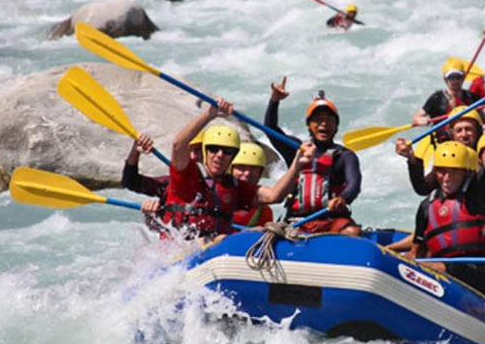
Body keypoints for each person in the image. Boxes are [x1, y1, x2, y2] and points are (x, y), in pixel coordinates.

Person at [410, 85, 485, 300]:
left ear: (464, 173)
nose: (446, 178)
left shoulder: (479, 193)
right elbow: (416, 252)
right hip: (444, 278)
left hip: (483, 274)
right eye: (442, 172)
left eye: (453, 173)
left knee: (432, 268)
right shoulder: (427, 206)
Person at [145, 100, 314, 241]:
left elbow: (273, 196)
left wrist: (297, 165)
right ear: (205, 151)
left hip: (213, 248)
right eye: (214, 149)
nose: (219, 156)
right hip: (179, 247)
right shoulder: (186, 175)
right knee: (216, 240)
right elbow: (178, 145)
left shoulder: (235, 187)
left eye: (227, 152)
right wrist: (209, 115)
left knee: (239, 236)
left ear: (233, 157)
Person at [264, 78, 362, 235]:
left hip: (332, 220)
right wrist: (274, 100)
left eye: (329, 120)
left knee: (352, 232)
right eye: (318, 120)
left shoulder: (345, 156)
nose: (324, 124)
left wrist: (343, 199)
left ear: (336, 125)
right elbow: (270, 128)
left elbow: (354, 184)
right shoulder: (297, 150)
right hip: (297, 221)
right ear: (309, 125)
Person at [396, 106, 484, 196]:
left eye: (468, 129)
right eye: (459, 130)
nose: (464, 134)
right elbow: (423, 188)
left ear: (478, 131)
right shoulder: (447, 156)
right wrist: (412, 158)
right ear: (452, 134)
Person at [231, 142, 274, 227]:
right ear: (231, 170)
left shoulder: (264, 211)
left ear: (260, 173)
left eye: (254, 168)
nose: (247, 173)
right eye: (241, 167)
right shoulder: (215, 197)